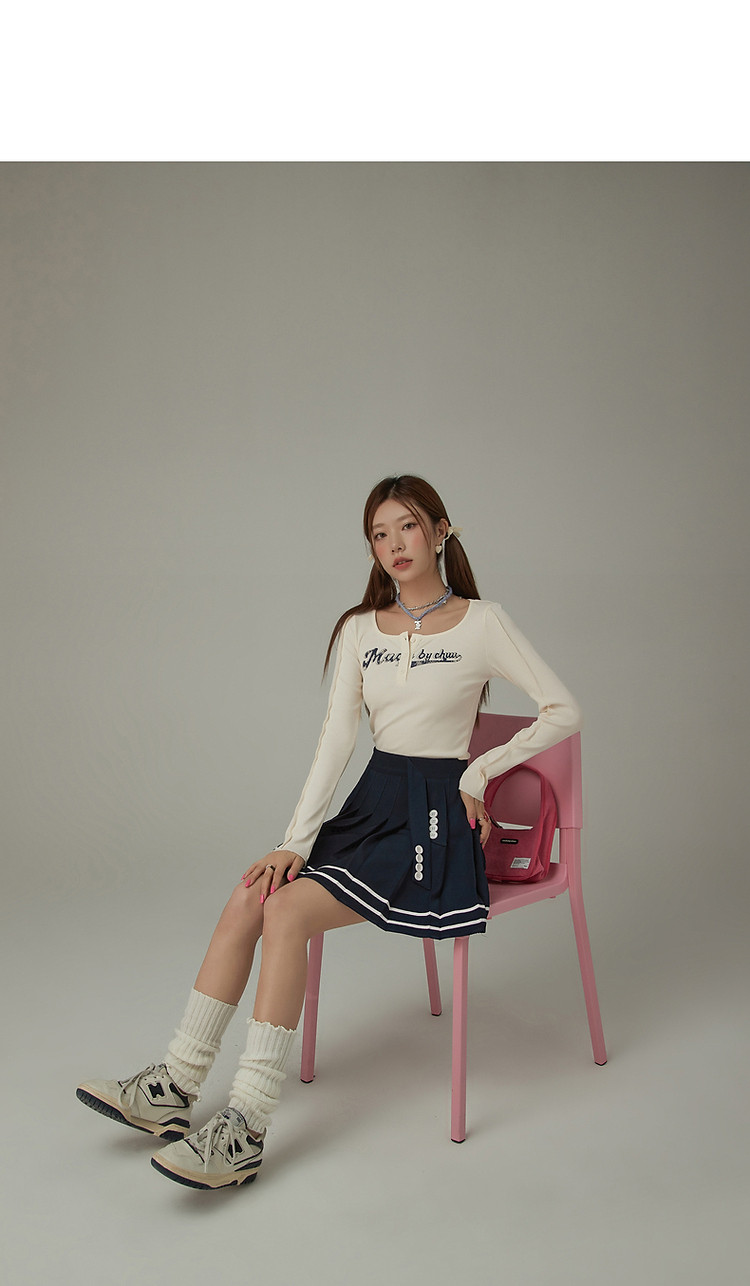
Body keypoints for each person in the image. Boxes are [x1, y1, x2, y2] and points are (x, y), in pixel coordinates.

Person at [77, 474, 582, 1190]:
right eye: (379, 533)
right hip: (372, 804)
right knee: (254, 891)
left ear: (441, 531)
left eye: (408, 526)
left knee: (287, 912)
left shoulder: (482, 621)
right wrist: (294, 841)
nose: (394, 544)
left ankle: (246, 1127)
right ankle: (176, 1085)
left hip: (434, 818)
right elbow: (336, 741)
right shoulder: (359, 629)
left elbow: (563, 709)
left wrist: (479, 772)